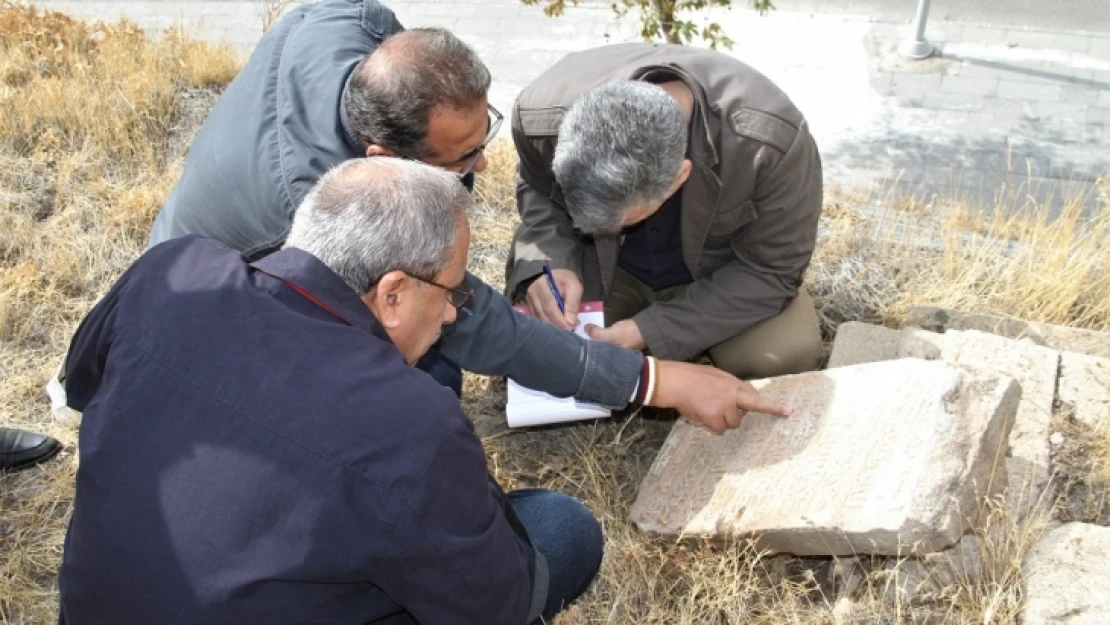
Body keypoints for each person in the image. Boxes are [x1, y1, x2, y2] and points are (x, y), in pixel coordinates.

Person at [59, 158, 793, 625]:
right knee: (564, 528)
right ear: (390, 293)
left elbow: (85, 385)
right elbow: (496, 606)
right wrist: (478, 503)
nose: (453, 311)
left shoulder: (171, 271)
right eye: (449, 290)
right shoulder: (412, 422)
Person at [137, 0, 780, 426]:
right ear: (384, 157)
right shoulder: (321, 214)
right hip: (205, 303)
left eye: (484, 136)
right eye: (463, 158)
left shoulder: (348, 24)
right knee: (425, 388)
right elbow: (476, 323)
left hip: (209, 226)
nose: (485, 167)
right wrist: (655, 382)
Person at [506, 43, 825, 381]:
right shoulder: (541, 115)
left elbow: (770, 269)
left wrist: (651, 330)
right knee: (541, 354)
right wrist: (551, 263)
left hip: (719, 276)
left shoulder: (770, 145)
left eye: (625, 221)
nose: (612, 228)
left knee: (781, 355)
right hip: (603, 265)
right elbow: (539, 192)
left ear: (679, 177)